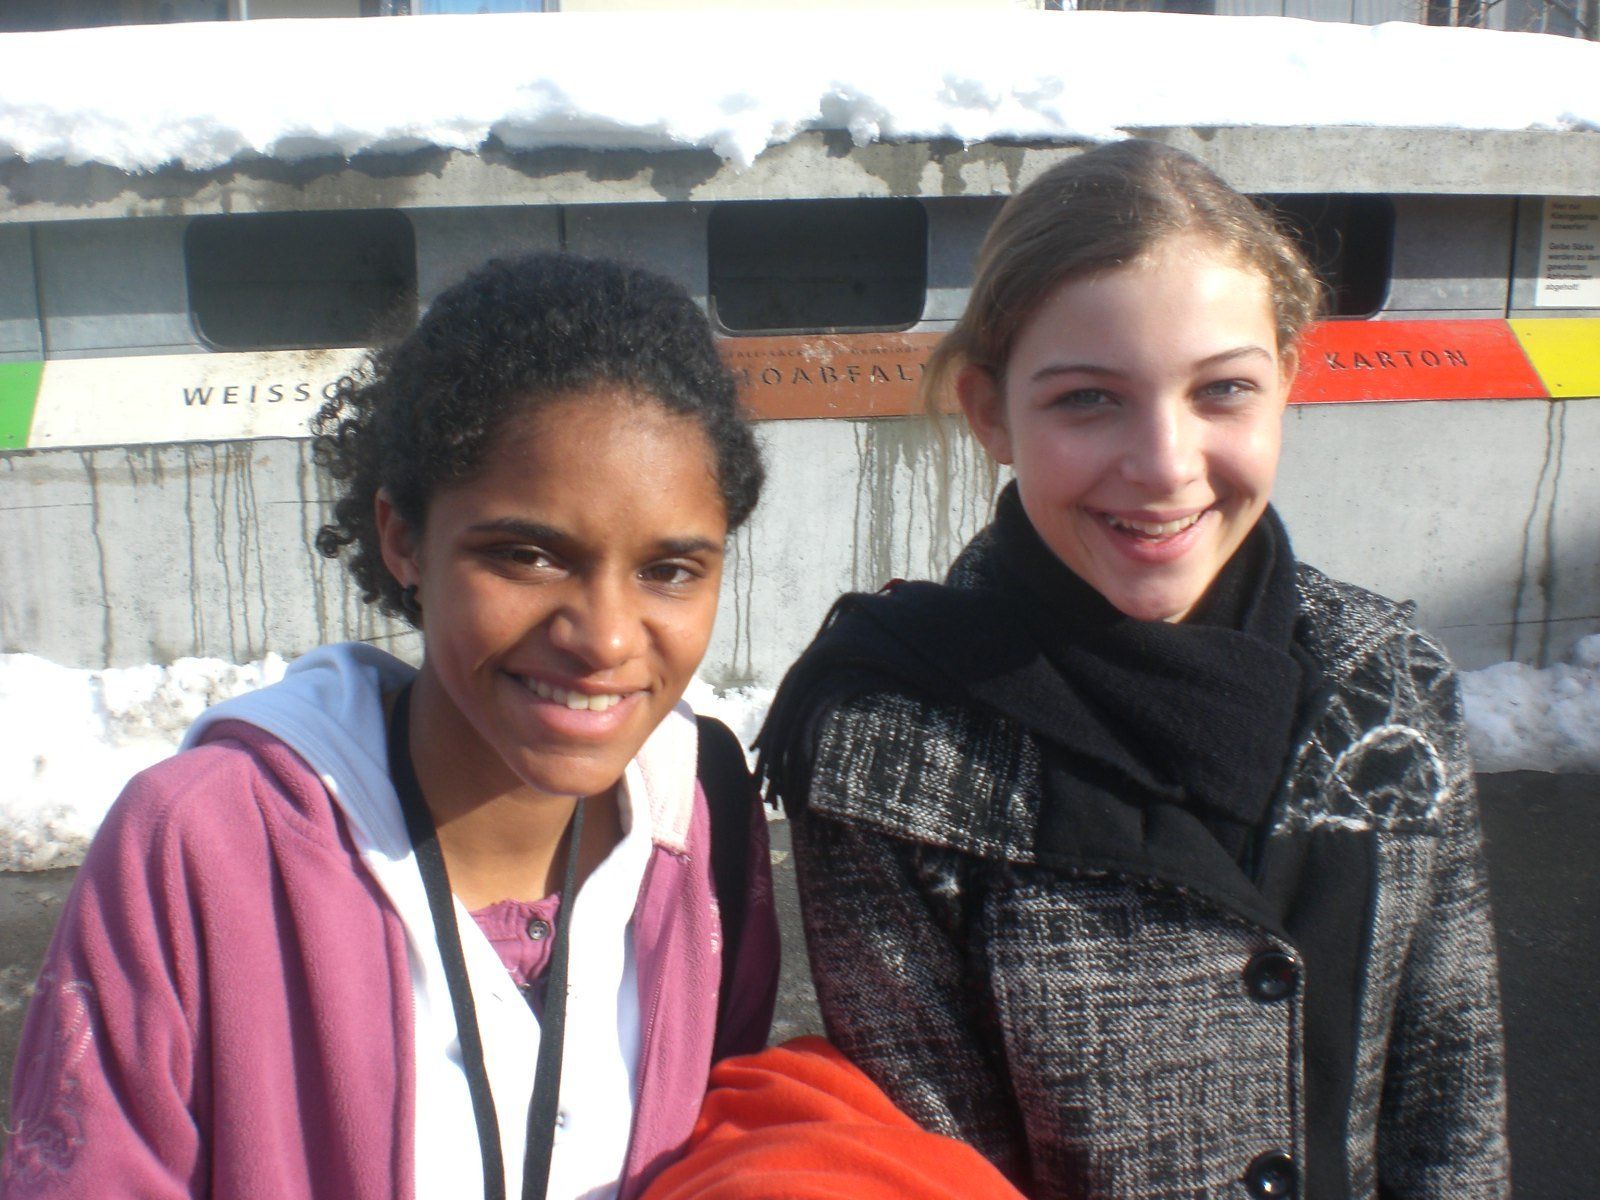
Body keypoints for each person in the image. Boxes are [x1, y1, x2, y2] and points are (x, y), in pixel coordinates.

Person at [757, 140, 1510, 1200]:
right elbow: (943, 1169)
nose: (1163, 465)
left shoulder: (1388, 685)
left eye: (1224, 390)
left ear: (1287, 383)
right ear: (989, 412)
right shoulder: (892, 745)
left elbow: (1452, 1115)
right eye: (1087, 400)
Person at [4, 252, 778, 1200]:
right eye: (528, 555)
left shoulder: (701, 823)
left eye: (670, 571)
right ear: (403, 538)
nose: (606, 638)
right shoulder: (202, 845)